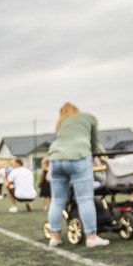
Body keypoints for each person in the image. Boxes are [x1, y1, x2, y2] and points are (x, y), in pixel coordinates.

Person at [45, 103, 108, 248]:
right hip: (79, 156)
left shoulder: (61, 122)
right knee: (85, 199)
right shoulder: (89, 118)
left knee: (57, 200)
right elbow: (93, 142)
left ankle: (54, 237)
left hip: (55, 158)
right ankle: (91, 237)